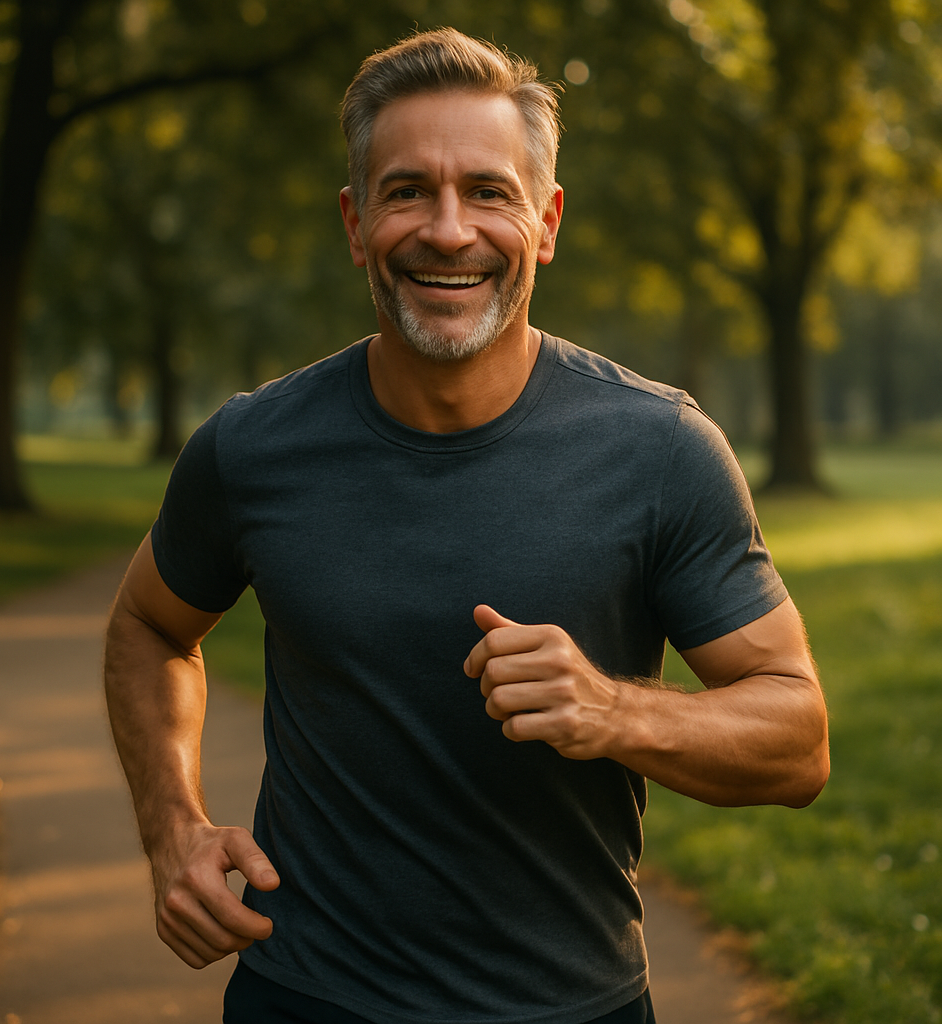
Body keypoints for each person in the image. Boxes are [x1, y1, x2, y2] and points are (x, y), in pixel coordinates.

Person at [104, 27, 829, 1024]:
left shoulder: (660, 449)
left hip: (570, 1006)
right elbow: (148, 624)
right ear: (357, 224)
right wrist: (171, 827)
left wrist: (612, 710)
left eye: (488, 191)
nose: (449, 231)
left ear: (546, 221)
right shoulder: (251, 447)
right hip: (303, 996)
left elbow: (797, 738)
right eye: (407, 191)